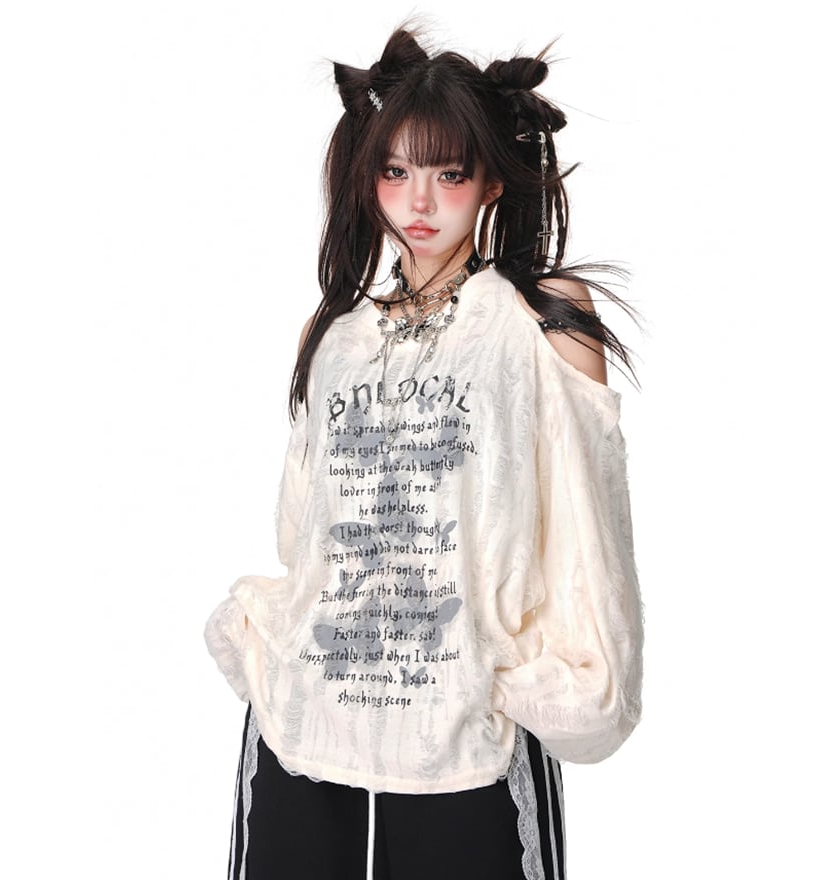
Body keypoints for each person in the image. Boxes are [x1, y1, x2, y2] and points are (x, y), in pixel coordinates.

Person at [204, 24, 644, 880]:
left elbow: (590, 538)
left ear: (490, 181)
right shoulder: (335, 335)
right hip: (305, 729)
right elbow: (303, 533)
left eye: (449, 173)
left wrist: (541, 683)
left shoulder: (542, 319)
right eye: (396, 171)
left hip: (466, 739)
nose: (420, 200)